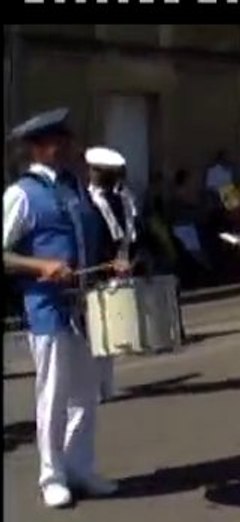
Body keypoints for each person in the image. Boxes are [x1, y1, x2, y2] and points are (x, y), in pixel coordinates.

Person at [3, 108, 129, 508]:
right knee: (53, 395)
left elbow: (85, 239)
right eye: (58, 141)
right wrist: (40, 265)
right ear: (39, 148)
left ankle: (80, 467)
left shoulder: (74, 187)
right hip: (48, 307)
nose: (67, 146)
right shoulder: (20, 194)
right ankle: (51, 475)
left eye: (66, 139)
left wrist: (111, 261)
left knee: (86, 393)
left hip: (85, 306)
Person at [85, 146, 139, 400]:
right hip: (96, 271)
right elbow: (90, 239)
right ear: (94, 172)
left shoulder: (121, 198)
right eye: (105, 173)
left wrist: (131, 257)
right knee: (93, 331)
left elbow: (130, 231)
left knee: (111, 330)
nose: (111, 178)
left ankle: (106, 385)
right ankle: (92, 387)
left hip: (120, 265)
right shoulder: (85, 201)